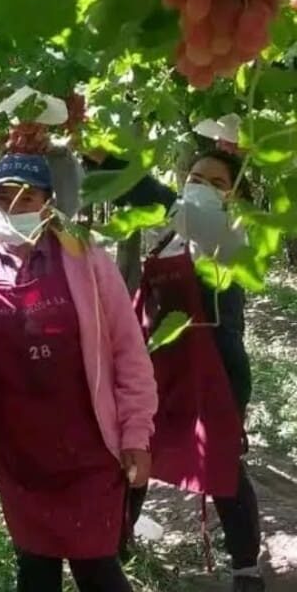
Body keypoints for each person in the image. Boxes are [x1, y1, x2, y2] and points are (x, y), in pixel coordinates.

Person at [0, 153, 157, 592]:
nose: (15, 207)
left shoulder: (86, 258)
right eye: (4, 197)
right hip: (18, 455)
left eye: (28, 197)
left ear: (48, 204)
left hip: (88, 451)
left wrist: (136, 432)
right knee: (34, 569)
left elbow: (127, 348)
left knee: (96, 570)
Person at [88, 147, 264, 591]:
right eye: (196, 179)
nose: (201, 188)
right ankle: (118, 545)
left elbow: (158, 198)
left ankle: (246, 567)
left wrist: (114, 164)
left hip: (216, 368)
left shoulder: (232, 233)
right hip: (163, 362)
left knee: (222, 461)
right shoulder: (171, 234)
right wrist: (96, 166)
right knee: (139, 447)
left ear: (236, 197)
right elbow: (150, 204)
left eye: (216, 183)